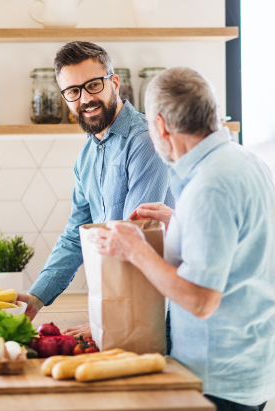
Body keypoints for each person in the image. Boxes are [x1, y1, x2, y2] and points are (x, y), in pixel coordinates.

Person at [88, 67, 275, 411]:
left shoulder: (208, 186)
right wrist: (179, 221)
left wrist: (136, 250)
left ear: (161, 126)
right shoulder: (245, 161)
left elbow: (201, 300)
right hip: (251, 365)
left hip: (219, 379)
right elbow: (235, 240)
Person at [18, 42, 174, 337]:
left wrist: (109, 321)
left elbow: (137, 239)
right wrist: (35, 299)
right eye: (73, 91)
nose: (85, 98)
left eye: (93, 85)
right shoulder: (86, 157)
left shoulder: (145, 140)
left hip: (159, 315)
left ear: (114, 83)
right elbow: (76, 236)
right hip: (119, 309)